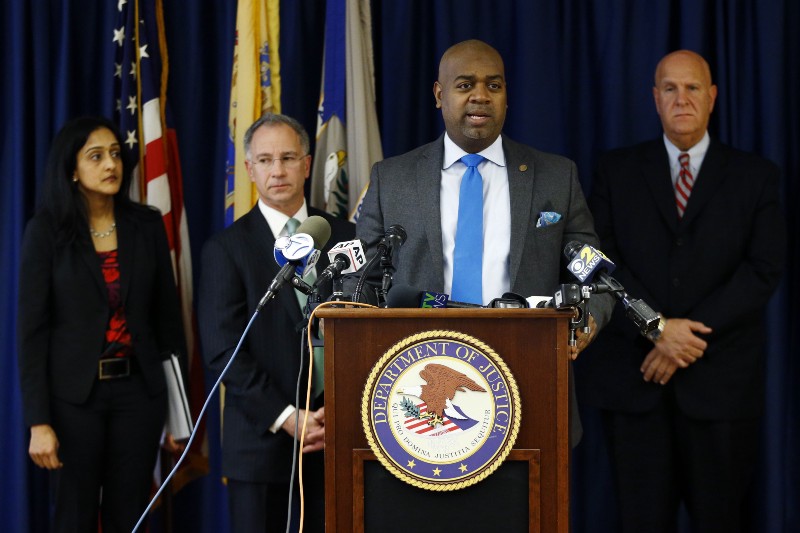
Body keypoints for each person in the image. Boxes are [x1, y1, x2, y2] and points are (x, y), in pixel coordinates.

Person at [356, 39, 614, 446]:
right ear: (440, 95)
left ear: (507, 98)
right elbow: (362, 285)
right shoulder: (392, 179)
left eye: (494, 86)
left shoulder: (555, 176)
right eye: (464, 85)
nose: (480, 95)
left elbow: (594, 275)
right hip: (421, 383)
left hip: (528, 373)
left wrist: (589, 316)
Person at [575, 50, 786, 532]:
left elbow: (764, 270)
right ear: (655, 98)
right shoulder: (616, 169)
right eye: (670, 88)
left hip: (720, 386)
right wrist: (655, 328)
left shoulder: (756, 176)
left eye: (693, 88)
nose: (682, 99)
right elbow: (592, 262)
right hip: (634, 383)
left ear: (712, 97)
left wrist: (680, 340)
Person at [17, 116, 187, 532]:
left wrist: (178, 415)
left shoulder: (145, 224)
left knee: (129, 516)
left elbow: (168, 323)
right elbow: (31, 333)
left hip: (140, 396)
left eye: (115, 153)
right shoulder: (47, 231)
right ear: (72, 170)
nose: (111, 164)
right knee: (73, 516)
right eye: (96, 156)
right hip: (75, 400)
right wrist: (39, 423)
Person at [198, 113, 354, 532]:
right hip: (261, 446)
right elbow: (222, 350)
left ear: (307, 164)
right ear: (249, 170)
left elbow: (369, 331)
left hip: (342, 437)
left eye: (288, 157)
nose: (278, 170)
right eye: (265, 160)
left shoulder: (348, 237)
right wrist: (288, 416)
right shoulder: (226, 249)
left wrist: (334, 414)